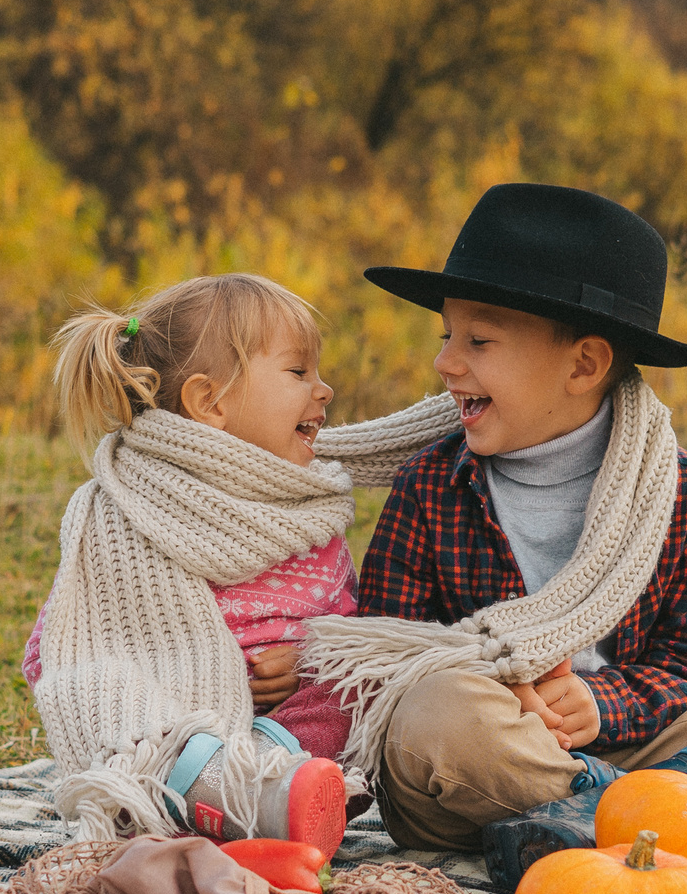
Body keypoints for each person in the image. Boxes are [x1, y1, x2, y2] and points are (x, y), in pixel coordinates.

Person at [296, 184, 687, 888]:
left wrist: (605, 704)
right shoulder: (430, 485)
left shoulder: (683, 491)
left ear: (583, 365)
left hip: (635, 745)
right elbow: (391, 662)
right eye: (445, 335)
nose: (447, 362)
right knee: (435, 712)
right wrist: (508, 683)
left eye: (478, 341)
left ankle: (608, 817)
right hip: (490, 758)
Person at [24, 273, 455, 853]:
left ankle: (278, 790)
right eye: (299, 373)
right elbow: (66, 647)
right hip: (181, 728)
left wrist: (309, 659)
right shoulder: (125, 510)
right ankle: (207, 785)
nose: (323, 390)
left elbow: (347, 622)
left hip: (285, 729)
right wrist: (164, 687)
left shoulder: (307, 509)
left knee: (363, 680)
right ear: (212, 402)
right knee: (151, 730)